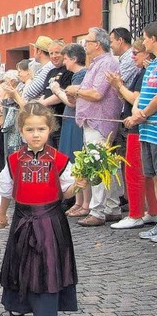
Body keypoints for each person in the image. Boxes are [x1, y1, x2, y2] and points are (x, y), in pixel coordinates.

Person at [0, 102, 86, 316]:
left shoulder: (60, 159)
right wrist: (2, 214)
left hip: (51, 221)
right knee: (20, 264)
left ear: (49, 130)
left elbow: (66, 192)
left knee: (49, 268)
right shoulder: (13, 159)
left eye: (41, 129)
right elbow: (6, 190)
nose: (35, 134)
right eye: (30, 129)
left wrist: (78, 185)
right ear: (21, 131)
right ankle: (16, 305)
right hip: (22, 219)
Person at [66, 27, 124, 227]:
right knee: (109, 165)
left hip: (100, 120)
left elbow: (97, 93)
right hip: (94, 119)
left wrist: (77, 89)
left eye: (87, 41)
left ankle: (98, 211)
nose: (85, 45)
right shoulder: (97, 63)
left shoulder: (106, 63)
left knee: (97, 165)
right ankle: (112, 207)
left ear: (97, 44)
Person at [110, 38, 157, 229]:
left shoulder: (148, 70)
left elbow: (135, 97)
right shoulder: (144, 71)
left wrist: (140, 114)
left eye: (136, 52)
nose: (133, 56)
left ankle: (136, 213)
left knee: (136, 172)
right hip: (140, 124)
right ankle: (151, 211)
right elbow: (133, 99)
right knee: (146, 174)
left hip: (142, 125)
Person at [125, 21, 157, 242]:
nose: (143, 41)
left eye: (145, 38)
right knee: (153, 177)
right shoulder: (151, 66)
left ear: (153, 39)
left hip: (153, 128)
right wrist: (137, 112)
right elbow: (142, 93)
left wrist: (143, 113)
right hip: (146, 130)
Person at [50, 43, 89, 217]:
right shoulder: (76, 75)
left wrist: (57, 91)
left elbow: (72, 102)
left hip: (75, 122)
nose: (64, 62)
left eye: (66, 58)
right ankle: (79, 201)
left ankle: (85, 203)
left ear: (74, 59)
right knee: (73, 162)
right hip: (70, 121)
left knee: (77, 160)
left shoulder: (80, 75)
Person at [23, 35, 54, 101]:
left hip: (40, 109)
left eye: (34, 49)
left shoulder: (48, 68)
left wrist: (30, 79)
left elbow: (29, 92)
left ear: (39, 51)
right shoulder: (49, 67)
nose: (33, 53)